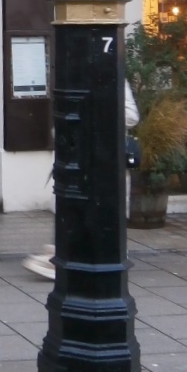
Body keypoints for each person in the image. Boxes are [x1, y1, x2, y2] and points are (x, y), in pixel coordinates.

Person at [23, 80, 140, 280]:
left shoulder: (113, 77)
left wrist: (91, 115)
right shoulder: (72, 77)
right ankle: (63, 253)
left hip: (104, 159)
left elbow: (130, 116)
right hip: (79, 158)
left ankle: (92, 257)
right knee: (69, 206)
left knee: (100, 211)